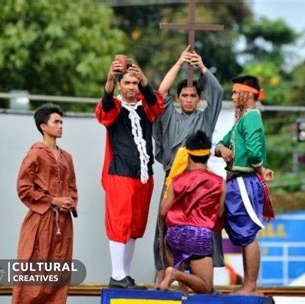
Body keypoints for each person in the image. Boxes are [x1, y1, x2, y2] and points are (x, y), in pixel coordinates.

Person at [153, 45, 224, 283]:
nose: (189, 100)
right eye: (185, 95)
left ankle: (200, 280)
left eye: (194, 96)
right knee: (165, 229)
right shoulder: (170, 115)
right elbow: (160, 94)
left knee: (203, 231)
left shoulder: (205, 118)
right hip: (174, 180)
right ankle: (162, 280)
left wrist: (202, 67)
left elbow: (218, 93)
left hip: (201, 184)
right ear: (178, 98)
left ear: (199, 99)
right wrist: (179, 62)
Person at [95, 55, 164, 289]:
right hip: (120, 174)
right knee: (119, 224)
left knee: (134, 227)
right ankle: (116, 275)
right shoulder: (114, 106)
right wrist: (109, 79)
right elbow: (104, 108)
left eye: (135, 83)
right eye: (127, 83)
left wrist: (145, 81)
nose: (132, 88)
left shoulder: (145, 107)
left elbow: (156, 105)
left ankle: (123, 274)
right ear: (120, 85)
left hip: (144, 176)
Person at [12, 104, 78, 304]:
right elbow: (23, 188)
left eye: (61, 122)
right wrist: (52, 200)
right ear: (43, 126)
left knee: (58, 274)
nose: (60, 126)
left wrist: (69, 202)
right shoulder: (36, 153)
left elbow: (72, 187)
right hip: (41, 221)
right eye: (56, 122)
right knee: (34, 272)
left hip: (63, 223)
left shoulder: (67, 157)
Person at [215, 75, 275, 294]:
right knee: (232, 229)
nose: (232, 96)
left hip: (245, 181)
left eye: (234, 92)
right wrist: (222, 150)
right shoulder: (242, 119)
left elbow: (253, 152)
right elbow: (221, 143)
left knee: (248, 234)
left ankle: (250, 285)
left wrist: (260, 170)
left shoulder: (251, 117)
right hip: (235, 181)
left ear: (247, 94)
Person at [158, 130, 225, 293]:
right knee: (205, 286)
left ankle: (179, 281)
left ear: (188, 154)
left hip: (175, 236)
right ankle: (177, 275)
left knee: (168, 239)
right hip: (199, 238)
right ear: (208, 154)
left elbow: (163, 211)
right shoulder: (219, 182)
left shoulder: (177, 180)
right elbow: (220, 214)